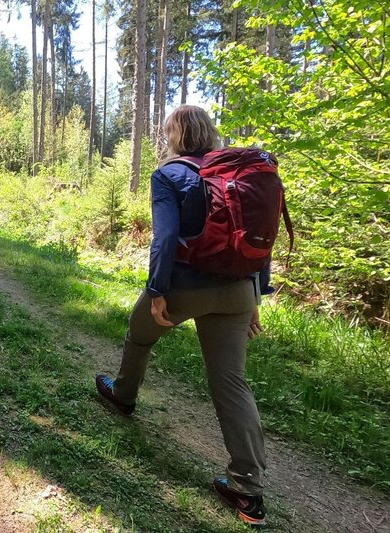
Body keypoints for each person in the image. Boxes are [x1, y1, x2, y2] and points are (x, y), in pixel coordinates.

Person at [94, 105, 273, 527]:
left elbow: (166, 237)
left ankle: (123, 395)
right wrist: (255, 297)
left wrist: (157, 291)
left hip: (185, 287)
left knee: (140, 335)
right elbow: (261, 239)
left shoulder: (169, 174)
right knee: (231, 382)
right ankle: (247, 490)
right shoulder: (242, 173)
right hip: (237, 292)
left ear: (175, 135)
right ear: (209, 133)